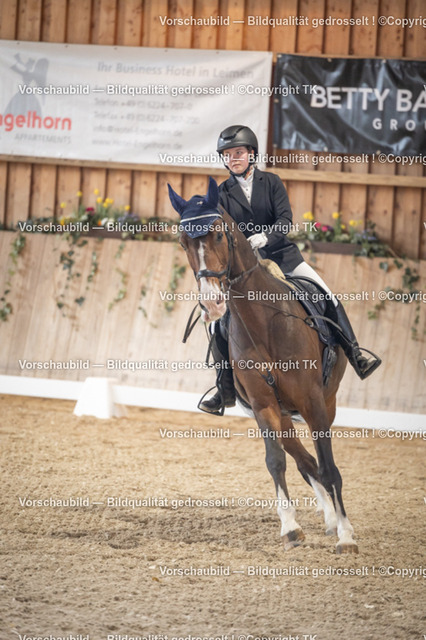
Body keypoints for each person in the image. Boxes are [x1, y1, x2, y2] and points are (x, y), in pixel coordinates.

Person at [199, 124, 381, 415]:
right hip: (246, 270)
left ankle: (356, 354)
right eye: (228, 155)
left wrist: (266, 237)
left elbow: (285, 220)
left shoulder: (272, 182)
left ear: (251, 154)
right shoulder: (221, 194)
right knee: (217, 323)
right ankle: (224, 388)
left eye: (238, 153)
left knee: (326, 295)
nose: (233, 159)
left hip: (284, 257)